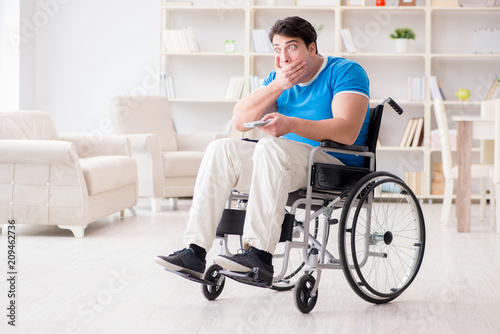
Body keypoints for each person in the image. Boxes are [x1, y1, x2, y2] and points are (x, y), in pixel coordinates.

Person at [155, 16, 370, 286]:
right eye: (277, 50)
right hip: (281, 162)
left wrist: (290, 124)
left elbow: (347, 131)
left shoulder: (345, 71)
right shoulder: (276, 79)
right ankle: (195, 251)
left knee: (270, 146)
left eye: (291, 47)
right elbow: (239, 121)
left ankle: (259, 254)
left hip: (331, 165)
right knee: (220, 148)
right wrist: (277, 86)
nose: (284, 58)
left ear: (311, 48)